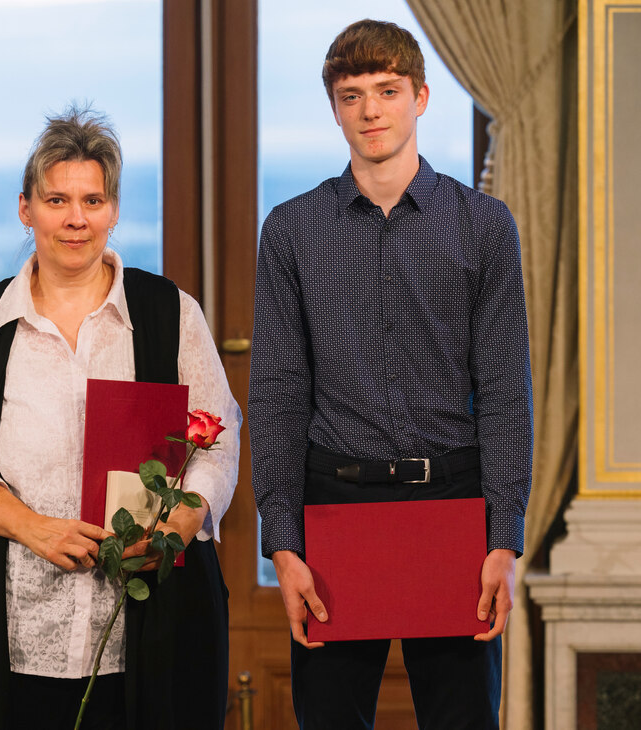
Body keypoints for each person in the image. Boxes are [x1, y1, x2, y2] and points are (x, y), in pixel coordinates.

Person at [0, 106, 240, 730]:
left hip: (147, 629)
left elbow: (217, 443)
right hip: (9, 627)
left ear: (114, 210)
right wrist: (33, 527)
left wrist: (179, 524)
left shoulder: (171, 314)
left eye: (93, 199)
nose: (75, 218)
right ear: (26, 208)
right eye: (56, 199)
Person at [248, 19, 533, 729]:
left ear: (420, 97)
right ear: (334, 107)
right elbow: (279, 393)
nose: (369, 110)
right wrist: (282, 543)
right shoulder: (290, 230)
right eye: (351, 95)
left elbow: (503, 392)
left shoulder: (484, 227)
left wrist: (503, 538)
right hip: (335, 510)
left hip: (454, 511)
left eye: (386, 90)